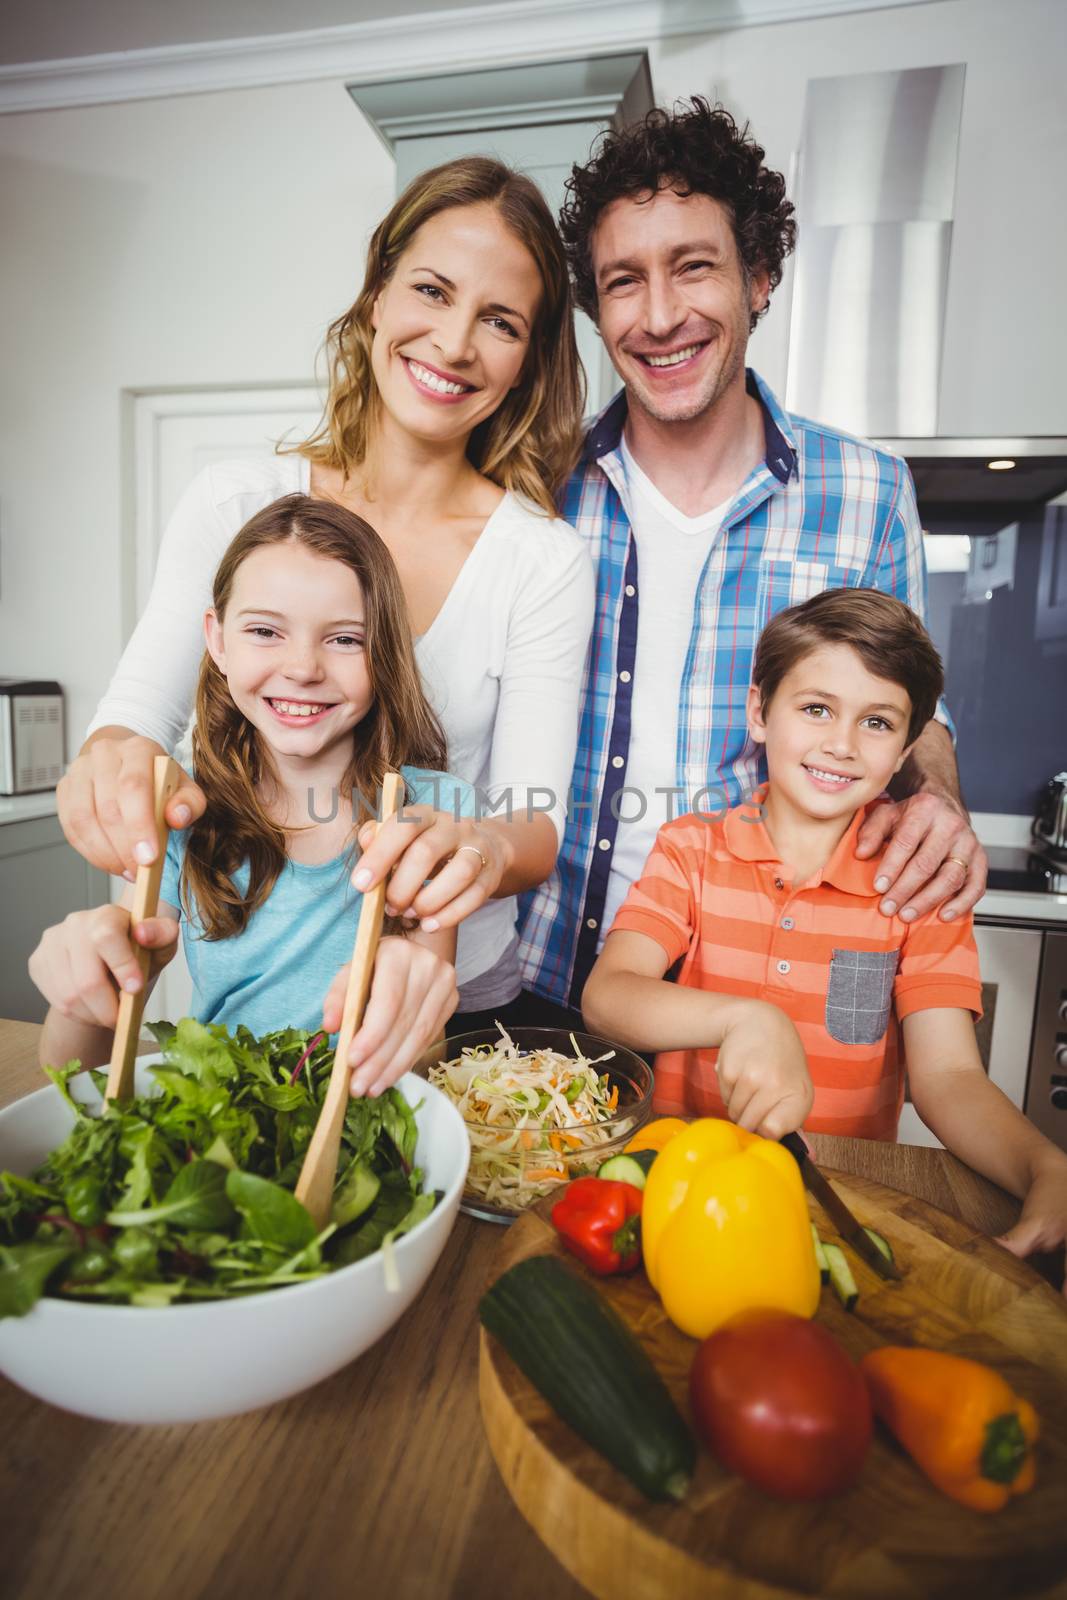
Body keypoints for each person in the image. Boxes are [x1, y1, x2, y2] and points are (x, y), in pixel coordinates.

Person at [57, 157, 594, 1031]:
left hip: (443, 1005)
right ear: (377, 294)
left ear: (528, 359)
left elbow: (531, 824)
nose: (454, 342)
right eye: (429, 290)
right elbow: (133, 723)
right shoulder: (235, 503)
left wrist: (477, 845)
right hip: (246, 1006)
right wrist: (110, 769)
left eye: (498, 321)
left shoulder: (542, 561)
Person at [517, 99, 989, 1027]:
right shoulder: (538, 482)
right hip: (537, 974)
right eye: (622, 282)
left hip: (742, 1001)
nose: (658, 317)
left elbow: (911, 708)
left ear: (760, 277)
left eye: (693, 267)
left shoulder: (865, 491)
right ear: (594, 306)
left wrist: (935, 793)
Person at [582, 589, 1067, 1277]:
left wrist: (1043, 1164)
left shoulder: (917, 887)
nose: (840, 744)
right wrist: (745, 1019)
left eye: (876, 721)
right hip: (684, 1189)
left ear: (906, 745)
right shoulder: (690, 851)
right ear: (759, 712)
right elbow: (608, 996)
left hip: (837, 1199)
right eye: (815, 709)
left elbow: (949, 1076)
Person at [32, 496, 470, 1093]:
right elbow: (69, 1076)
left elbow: (424, 1057)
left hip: (365, 1118)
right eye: (265, 631)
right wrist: (82, 992)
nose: (302, 668)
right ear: (216, 639)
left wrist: (410, 996)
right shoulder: (179, 810)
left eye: (344, 639)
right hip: (212, 1122)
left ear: (384, 650)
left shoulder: (431, 811)